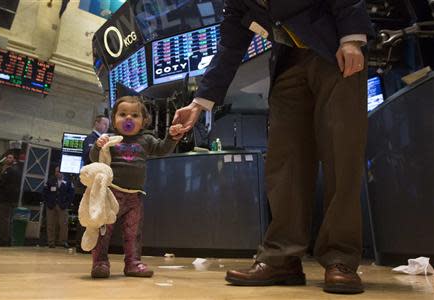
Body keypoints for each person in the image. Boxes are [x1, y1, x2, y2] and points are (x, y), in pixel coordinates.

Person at [173, 0, 374, 294]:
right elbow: (229, 48)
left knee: (341, 156)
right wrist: (199, 103)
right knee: (284, 163)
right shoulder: (237, 4)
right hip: (287, 63)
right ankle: (282, 257)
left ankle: (340, 259)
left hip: (334, 52)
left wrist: (351, 38)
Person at [88, 95, 183, 278]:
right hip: (110, 195)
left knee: (133, 233)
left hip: (135, 197)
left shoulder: (146, 140)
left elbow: (162, 149)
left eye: (134, 115)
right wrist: (98, 147)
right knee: (103, 231)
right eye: (122, 114)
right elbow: (95, 160)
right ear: (114, 118)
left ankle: (133, 262)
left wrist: (171, 137)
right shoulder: (110, 140)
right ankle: (100, 262)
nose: (128, 118)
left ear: (144, 120)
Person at [0, 153, 22, 246]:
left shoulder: (9, 171)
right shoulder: (17, 170)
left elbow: (2, 183)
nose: (8, 159)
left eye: (10, 158)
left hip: (4, 200)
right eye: (7, 157)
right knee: (8, 221)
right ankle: (7, 240)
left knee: (3, 221)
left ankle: (3, 241)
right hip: (11, 200)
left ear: (14, 160)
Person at [42, 166, 74, 248]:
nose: (57, 173)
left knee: (63, 224)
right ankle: (51, 242)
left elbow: (71, 195)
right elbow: (45, 192)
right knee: (50, 224)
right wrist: (47, 203)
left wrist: (67, 204)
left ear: (62, 172)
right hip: (51, 205)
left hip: (62, 206)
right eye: (56, 171)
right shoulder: (50, 181)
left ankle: (63, 241)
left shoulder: (68, 182)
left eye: (58, 171)